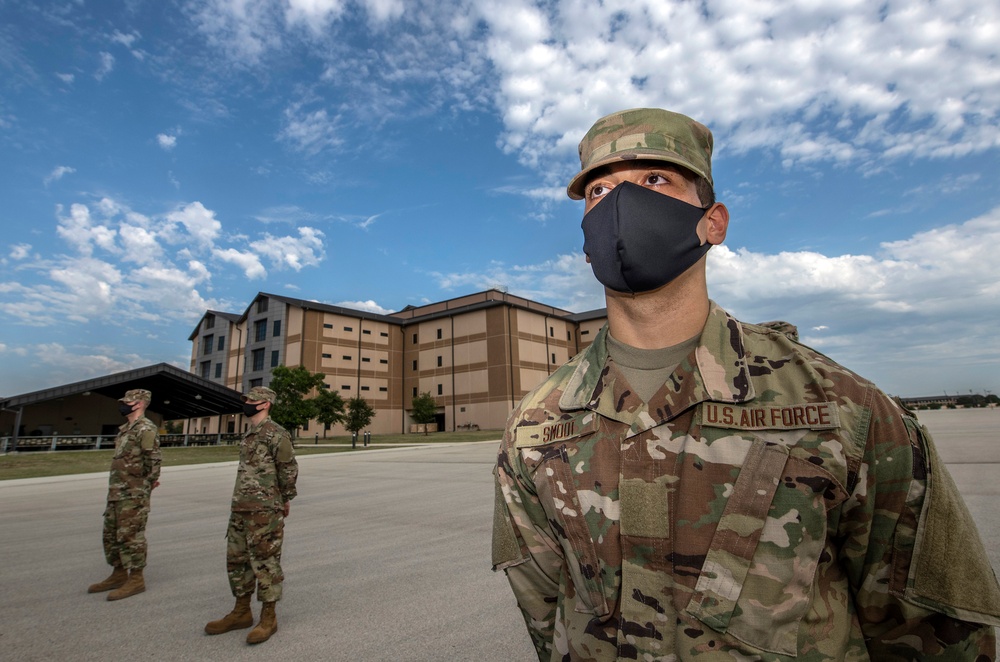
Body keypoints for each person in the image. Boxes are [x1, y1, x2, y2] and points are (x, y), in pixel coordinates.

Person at [492, 107, 1000, 660]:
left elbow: (935, 631)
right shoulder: (537, 424)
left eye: (654, 180)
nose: (619, 206)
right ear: (586, 237)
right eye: (599, 191)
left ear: (714, 223)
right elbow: (547, 613)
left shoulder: (840, 406)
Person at [205, 386, 298, 645]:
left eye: (251, 400)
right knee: (237, 562)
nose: (246, 403)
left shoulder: (276, 433)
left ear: (265, 404)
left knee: (265, 562)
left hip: (264, 511)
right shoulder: (249, 434)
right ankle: (241, 612)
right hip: (240, 508)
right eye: (246, 399)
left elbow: (288, 469)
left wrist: (285, 499)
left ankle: (269, 617)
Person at [88, 388, 160, 601]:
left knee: (131, 535)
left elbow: (153, 460)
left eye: (127, 402)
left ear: (139, 403)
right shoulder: (125, 429)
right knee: (111, 534)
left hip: (133, 493)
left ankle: (136, 578)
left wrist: (144, 486)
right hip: (117, 492)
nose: (123, 405)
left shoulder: (145, 428)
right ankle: (118, 573)